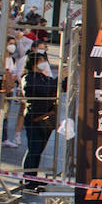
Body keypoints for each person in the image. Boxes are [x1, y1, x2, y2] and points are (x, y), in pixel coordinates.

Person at [19, 50, 60, 189]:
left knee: (39, 150)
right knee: (34, 149)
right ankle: (27, 179)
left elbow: (56, 88)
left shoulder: (44, 77)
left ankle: (32, 178)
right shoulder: (28, 78)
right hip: (34, 119)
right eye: (41, 61)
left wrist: (65, 79)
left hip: (46, 120)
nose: (44, 64)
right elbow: (43, 90)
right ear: (34, 63)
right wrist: (59, 80)